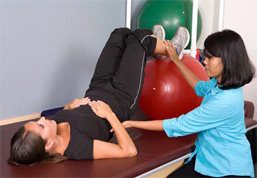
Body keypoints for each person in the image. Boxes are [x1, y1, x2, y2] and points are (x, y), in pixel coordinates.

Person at [8, 27, 188, 166]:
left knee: (120, 34)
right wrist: (109, 114)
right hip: (122, 97)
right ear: (48, 146)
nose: (42, 119)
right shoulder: (78, 148)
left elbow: (72, 114)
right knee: (139, 38)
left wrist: (70, 106)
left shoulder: (54, 127)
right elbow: (128, 150)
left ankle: (154, 48)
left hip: (97, 88)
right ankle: (171, 49)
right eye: (40, 126)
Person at [121, 29, 256, 178]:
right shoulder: (219, 84)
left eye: (210, 58)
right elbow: (199, 87)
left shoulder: (225, 101)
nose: (204, 61)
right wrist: (176, 61)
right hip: (207, 160)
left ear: (227, 60)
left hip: (228, 170)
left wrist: (133, 124)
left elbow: (179, 125)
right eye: (205, 55)